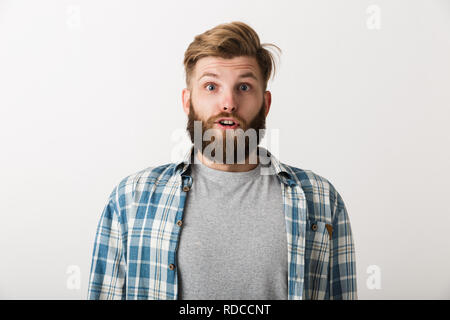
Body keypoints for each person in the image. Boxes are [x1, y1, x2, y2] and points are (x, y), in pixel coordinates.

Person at [87, 21, 357, 300]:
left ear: (265, 103)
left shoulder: (322, 200)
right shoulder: (130, 199)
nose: (228, 102)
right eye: (211, 86)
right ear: (187, 101)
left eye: (243, 86)